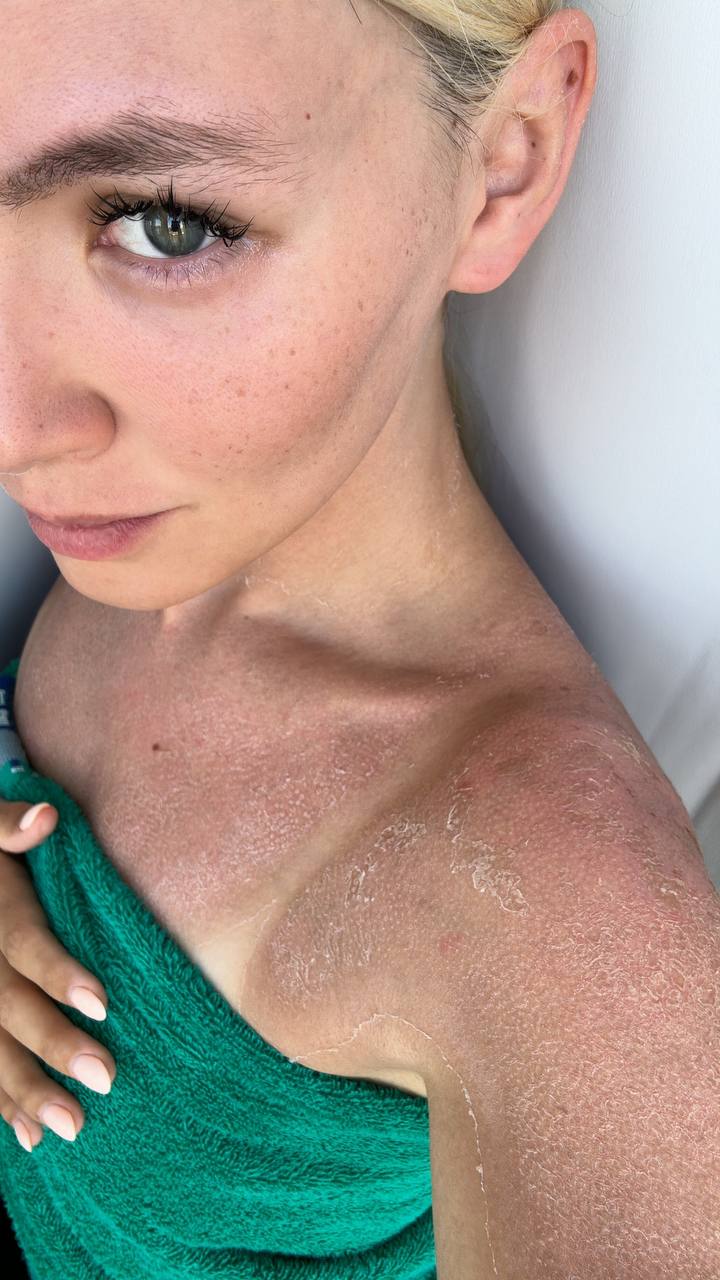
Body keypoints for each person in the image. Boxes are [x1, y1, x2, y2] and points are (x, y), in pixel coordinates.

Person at [0, 2, 718, 1277]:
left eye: (169, 224)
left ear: (506, 159)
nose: (12, 431)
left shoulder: (552, 902)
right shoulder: (156, 534)